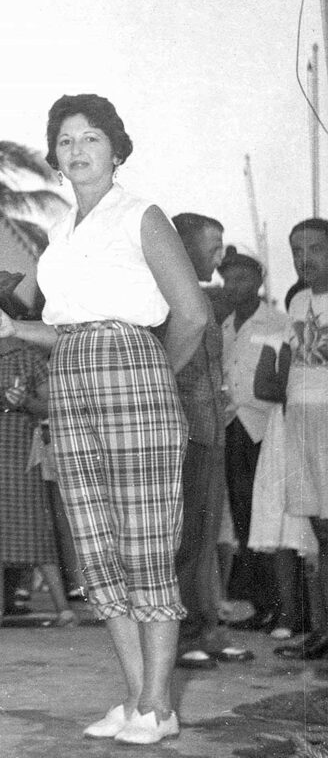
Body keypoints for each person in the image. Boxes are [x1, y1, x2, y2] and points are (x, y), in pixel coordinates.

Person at [0, 94, 207, 745]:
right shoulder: (59, 229)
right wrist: (17, 326)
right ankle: (140, 699)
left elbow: (190, 314)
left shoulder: (142, 215)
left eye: (92, 139)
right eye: (67, 140)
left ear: (116, 148)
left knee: (146, 545)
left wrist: (155, 379)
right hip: (71, 378)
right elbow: (69, 328)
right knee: (97, 547)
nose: (78, 151)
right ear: (55, 153)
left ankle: (159, 704)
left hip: (135, 377)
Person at [167, 214, 253, 671]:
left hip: (211, 430)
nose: (221, 257)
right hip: (185, 434)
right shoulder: (164, 296)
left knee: (206, 541)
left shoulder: (198, 296)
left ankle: (209, 629)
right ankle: (182, 637)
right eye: (214, 246)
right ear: (183, 246)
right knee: (186, 541)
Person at [0, 327, 74, 629]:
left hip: (21, 442)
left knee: (34, 520)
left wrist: (25, 402)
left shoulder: (32, 360)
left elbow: (49, 406)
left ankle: (62, 607)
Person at [218, 246, 305, 641]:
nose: (234, 286)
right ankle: (260, 604)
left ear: (259, 280)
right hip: (235, 424)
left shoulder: (277, 321)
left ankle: (285, 606)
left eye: (242, 278)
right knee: (243, 519)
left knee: (270, 518)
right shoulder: (224, 325)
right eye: (228, 278)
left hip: (267, 427)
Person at [265, 218, 328, 663]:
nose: (304, 259)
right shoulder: (299, 300)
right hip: (301, 420)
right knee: (319, 533)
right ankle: (323, 630)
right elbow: (285, 369)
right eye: (296, 250)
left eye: (316, 249)